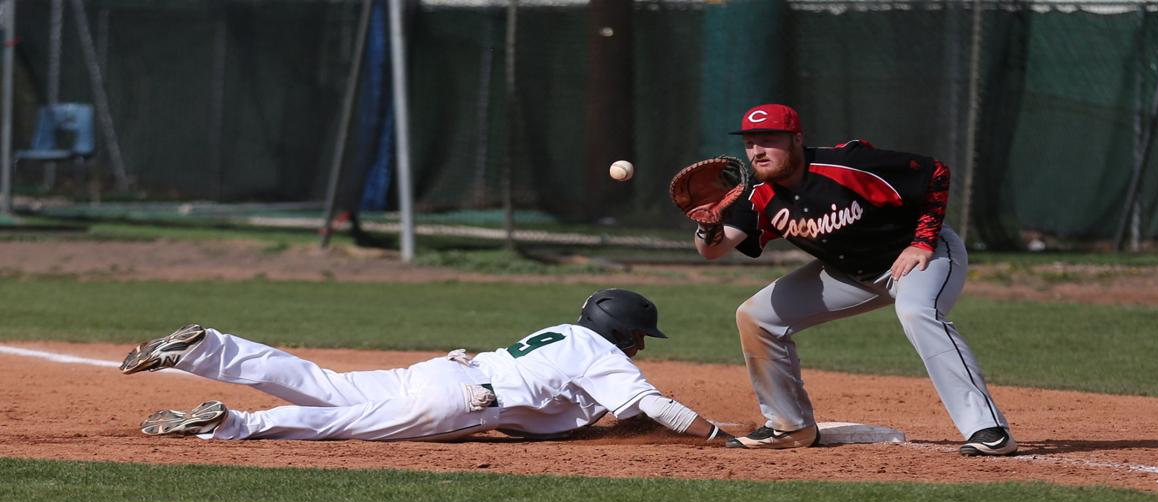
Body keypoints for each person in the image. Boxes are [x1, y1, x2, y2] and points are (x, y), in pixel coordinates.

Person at [693, 103, 1017, 456]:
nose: (758, 150)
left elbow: (935, 172)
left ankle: (989, 429)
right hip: (849, 274)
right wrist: (707, 225)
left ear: (796, 139)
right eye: (750, 142)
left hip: (917, 258)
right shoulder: (757, 193)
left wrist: (922, 241)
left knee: (917, 312)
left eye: (769, 140)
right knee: (756, 317)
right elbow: (714, 249)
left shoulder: (847, 164)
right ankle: (789, 426)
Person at [121, 289, 731, 444]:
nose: (640, 346)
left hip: (444, 371)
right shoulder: (602, 354)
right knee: (344, 424)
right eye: (638, 336)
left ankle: (207, 347)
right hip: (459, 403)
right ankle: (231, 425)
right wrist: (717, 436)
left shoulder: (566, 334)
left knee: (322, 384)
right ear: (620, 330)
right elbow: (651, 403)